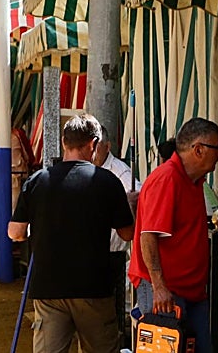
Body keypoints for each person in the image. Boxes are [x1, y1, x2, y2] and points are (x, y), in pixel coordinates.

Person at [8, 114, 135, 353]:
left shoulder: (37, 181)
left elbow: (15, 232)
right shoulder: (107, 181)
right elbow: (127, 234)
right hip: (93, 286)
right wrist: (127, 205)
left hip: (48, 287)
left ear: (64, 143)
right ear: (93, 144)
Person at [129, 118, 218, 353]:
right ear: (198, 149)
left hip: (189, 291)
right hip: (167, 291)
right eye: (217, 148)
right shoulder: (167, 179)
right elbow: (148, 236)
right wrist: (159, 286)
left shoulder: (193, 181)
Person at [93, 133, 141, 348]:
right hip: (93, 251)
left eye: (98, 146)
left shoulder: (120, 171)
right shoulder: (88, 168)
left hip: (114, 251)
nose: (93, 152)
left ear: (107, 146)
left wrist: (126, 203)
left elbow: (138, 194)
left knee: (110, 308)